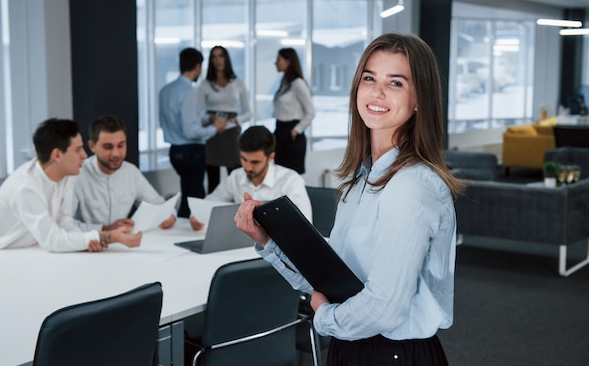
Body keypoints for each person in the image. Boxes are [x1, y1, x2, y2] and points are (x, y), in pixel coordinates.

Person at [235, 33, 465, 366]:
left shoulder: (412, 185)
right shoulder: (360, 179)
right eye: (369, 78)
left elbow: (385, 308)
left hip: (391, 354)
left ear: (419, 100)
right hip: (354, 345)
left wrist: (325, 318)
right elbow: (330, 282)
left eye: (396, 83)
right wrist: (269, 241)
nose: (377, 92)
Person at [0, 118, 142, 254]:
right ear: (57, 155)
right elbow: (53, 240)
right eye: (78, 149)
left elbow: (65, 224)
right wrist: (108, 237)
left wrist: (88, 241)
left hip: (27, 253)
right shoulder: (25, 187)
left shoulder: (66, 176)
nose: (84, 155)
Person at [189, 125, 312, 230]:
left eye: (255, 162)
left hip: (277, 248)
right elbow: (211, 201)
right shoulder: (236, 176)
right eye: (244, 159)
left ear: (270, 157)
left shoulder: (291, 180)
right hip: (239, 246)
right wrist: (198, 216)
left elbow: (306, 225)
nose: (247, 167)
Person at [72, 114, 176, 232]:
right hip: (86, 246)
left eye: (121, 145)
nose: (116, 153)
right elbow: (64, 223)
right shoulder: (77, 175)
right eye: (108, 147)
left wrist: (170, 216)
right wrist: (104, 229)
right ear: (92, 146)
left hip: (123, 246)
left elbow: (160, 205)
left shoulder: (131, 172)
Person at [159, 47, 227, 218]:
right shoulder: (189, 91)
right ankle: (192, 235)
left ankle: (180, 230)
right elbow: (190, 131)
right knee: (195, 199)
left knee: (188, 194)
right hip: (191, 152)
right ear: (198, 67)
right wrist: (215, 129)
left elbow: (178, 119)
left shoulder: (166, 90)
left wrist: (205, 118)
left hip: (175, 151)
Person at [197, 46, 252, 193]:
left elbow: (248, 113)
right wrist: (210, 117)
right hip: (212, 134)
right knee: (213, 181)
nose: (218, 60)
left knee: (236, 179)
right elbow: (197, 116)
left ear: (226, 58)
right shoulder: (205, 84)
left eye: (221, 56)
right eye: (214, 57)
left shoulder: (238, 83)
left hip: (231, 134)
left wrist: (235, 120)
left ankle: (239, 212)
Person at [272, 47, 315, 175]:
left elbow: (311, 112)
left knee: (291, 179)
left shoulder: (298, 83)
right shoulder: (285, 82)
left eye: (279, 59)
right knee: (279, 177)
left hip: (291, 134)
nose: (276, 62)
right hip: (280, 131)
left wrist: (295, 131)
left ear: (288, 61)